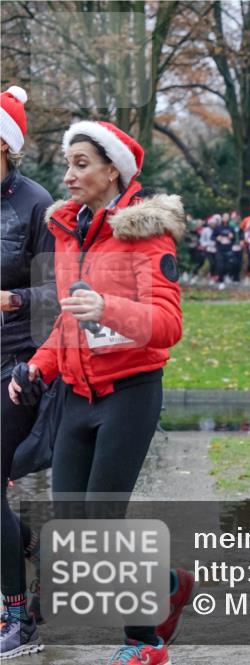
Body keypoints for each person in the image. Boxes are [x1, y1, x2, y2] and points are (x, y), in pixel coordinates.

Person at [6, 120, 196, 665]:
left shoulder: (146, 232)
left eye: (81, 164)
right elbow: (67, 321)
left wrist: (108, 308)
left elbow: (168, 324)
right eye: (67, 163)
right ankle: (169, 584)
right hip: (74, 393)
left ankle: (145, 643)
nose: (68, 175)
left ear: (113, 170)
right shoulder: (69, 229)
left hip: (130, 391)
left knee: (103, 521)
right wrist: (37, 369)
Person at [1, 84, 55, 660]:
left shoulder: (34, 203)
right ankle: (24, 542)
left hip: (17, 364)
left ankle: (18, 618)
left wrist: (11, 301)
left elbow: (58, 292)